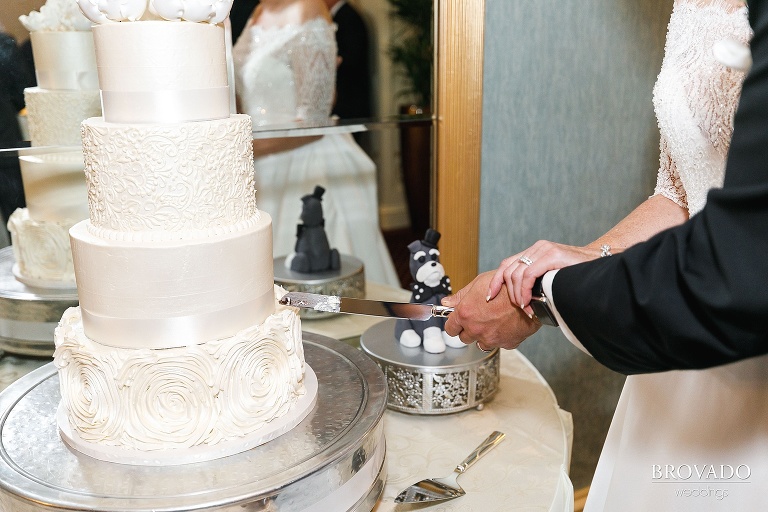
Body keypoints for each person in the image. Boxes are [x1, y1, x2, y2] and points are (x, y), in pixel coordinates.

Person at [444, 0, 768, 509]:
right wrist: (584, 255)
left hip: (738, 334)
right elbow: (679, 191)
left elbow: (744, 249)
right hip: (674, 344)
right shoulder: (688, 7)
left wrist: (544, 296)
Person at [232, 0, 399, 287]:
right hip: (255, 167)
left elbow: (315, 123)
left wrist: (240, 149)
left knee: (312, 283)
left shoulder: (309, 8)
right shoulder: (258, 11)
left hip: (302, 161)